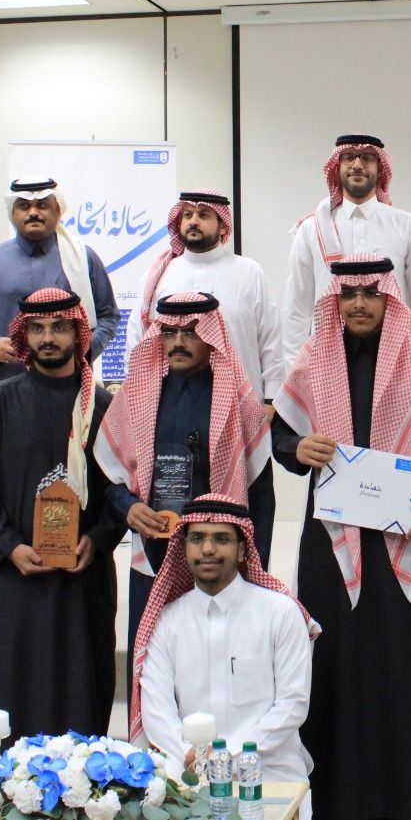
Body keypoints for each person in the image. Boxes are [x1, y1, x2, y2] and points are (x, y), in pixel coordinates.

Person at [272, 256, 411, 820]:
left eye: (371, 292)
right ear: (335, 300)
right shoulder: (315, 357)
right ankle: (336, 803)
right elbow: (279, 432)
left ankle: (404, 801)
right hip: (331, 540)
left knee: (400, 665)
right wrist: (297, 450)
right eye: (349, 294)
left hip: (406, 537)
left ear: (389, 296)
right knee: (334, 662)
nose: (359, 303)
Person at [0, 287, 124, 756]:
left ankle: (83, 781)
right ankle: (7, 780)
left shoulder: (103, 407)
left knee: (81, 680)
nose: (48, 337)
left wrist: (98, 539)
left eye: (58, 327)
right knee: (11, 682)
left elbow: (122, 485)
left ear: (79, 333)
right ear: (23, 336)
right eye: (37, 328)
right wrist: (9, 546)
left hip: (82, 577)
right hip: (13, 576)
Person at [132, 496, 317, 820]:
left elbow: (293, 704)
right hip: (188, 773)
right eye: (197, 538)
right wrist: (196, 760)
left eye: (221, 539)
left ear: (244, 550)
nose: (208, 549)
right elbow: (156, 709)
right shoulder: (167, 620)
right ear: (183, 548)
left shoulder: (280, 613)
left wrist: (229, 758)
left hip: (269, 771)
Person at [96, 291, 271, 685]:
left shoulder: (240, 401)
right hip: (154, 549)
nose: (177, 342)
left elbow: (260, 492)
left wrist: (255, 567)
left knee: (217, 670)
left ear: (210, 336)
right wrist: (128, 507)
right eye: (169, 332)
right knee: (155, 668)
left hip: (216, 556)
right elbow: (109, 477)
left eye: (190, 333)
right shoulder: (137, 394)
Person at [127, 188, 282, 561]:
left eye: (203, 214)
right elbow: (138, 341)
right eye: (188, 214)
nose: (193, 221)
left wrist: (269, 400)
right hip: (172, 412)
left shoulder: (249, 272)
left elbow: (271, 341)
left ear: (222, 224)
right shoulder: (160, 275)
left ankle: (249, 580)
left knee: (246, 509)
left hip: (240, 413)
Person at [0, 176, 119, 383]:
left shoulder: (83, 258)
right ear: (12, 213)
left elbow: (108, 316)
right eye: (24, 206)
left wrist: (86, 346)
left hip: (71, 384)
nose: (33, 213)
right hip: (5, 384)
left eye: (42, 205)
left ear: (58, 210)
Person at [282, 135, 411, 359]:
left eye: (367, 158)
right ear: (336, 168)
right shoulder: (312, 229)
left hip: (393, 356)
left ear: (380, 169)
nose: (357, 165)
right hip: (327, 357)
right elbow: (297, 310)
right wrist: (295, 370)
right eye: (349, 157)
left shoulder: (407, 226)